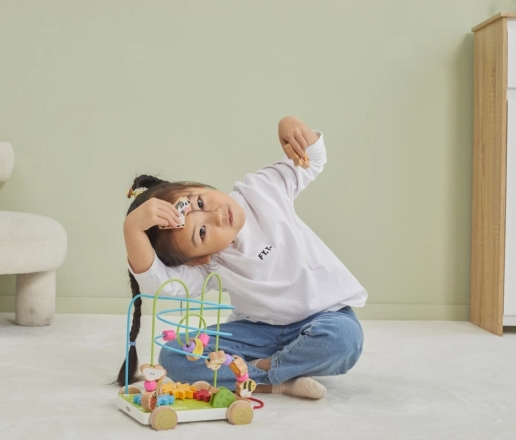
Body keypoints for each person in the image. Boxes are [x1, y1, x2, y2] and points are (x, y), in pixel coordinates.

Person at [117, 116, 367, 400]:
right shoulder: (210, 262)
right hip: (257, 333)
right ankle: (277, 381)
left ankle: (263, 371)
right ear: (199, 258)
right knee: (173, 357)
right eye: (201, 232)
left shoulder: (260, 190)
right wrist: (132, 229)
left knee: (345, 339)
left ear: (199, 186)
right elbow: (161, 285)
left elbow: (314, 158)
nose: (216, 215)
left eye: (200, 202)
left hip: (324, 317)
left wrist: (292, 127)